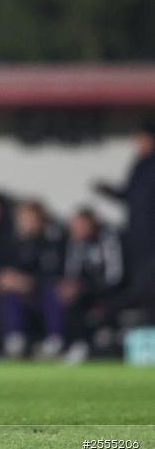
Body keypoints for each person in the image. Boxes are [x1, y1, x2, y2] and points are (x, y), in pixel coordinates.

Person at [94, 120, 155, 320]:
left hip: (151, 239)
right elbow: (130, 196)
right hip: (137, 239)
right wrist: (109, 191)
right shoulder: (139, 164)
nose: (137, 143)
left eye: (141, 138)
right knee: (141, 287)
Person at [0, 200, 65, 358]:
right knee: (7, 295)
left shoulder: (50, 244)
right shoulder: (9, 244)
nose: (26, 223)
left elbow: (53, 273)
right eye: (23, 219)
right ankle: (14, 340)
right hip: (17, 295)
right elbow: (0, 272)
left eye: (31, 219)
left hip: (41, 295)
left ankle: (53, 340)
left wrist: (29, 282)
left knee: (52, 292)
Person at [58, 208, 124, 363]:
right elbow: (72, 272)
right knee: (67, 300)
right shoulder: (75, 243)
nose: (77, 230)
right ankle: (73, 344)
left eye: (81, 225)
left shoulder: (108, 239)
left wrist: (86, 287)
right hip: (86, 290)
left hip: (110, 289)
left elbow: (114, 275)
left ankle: (103, 344)